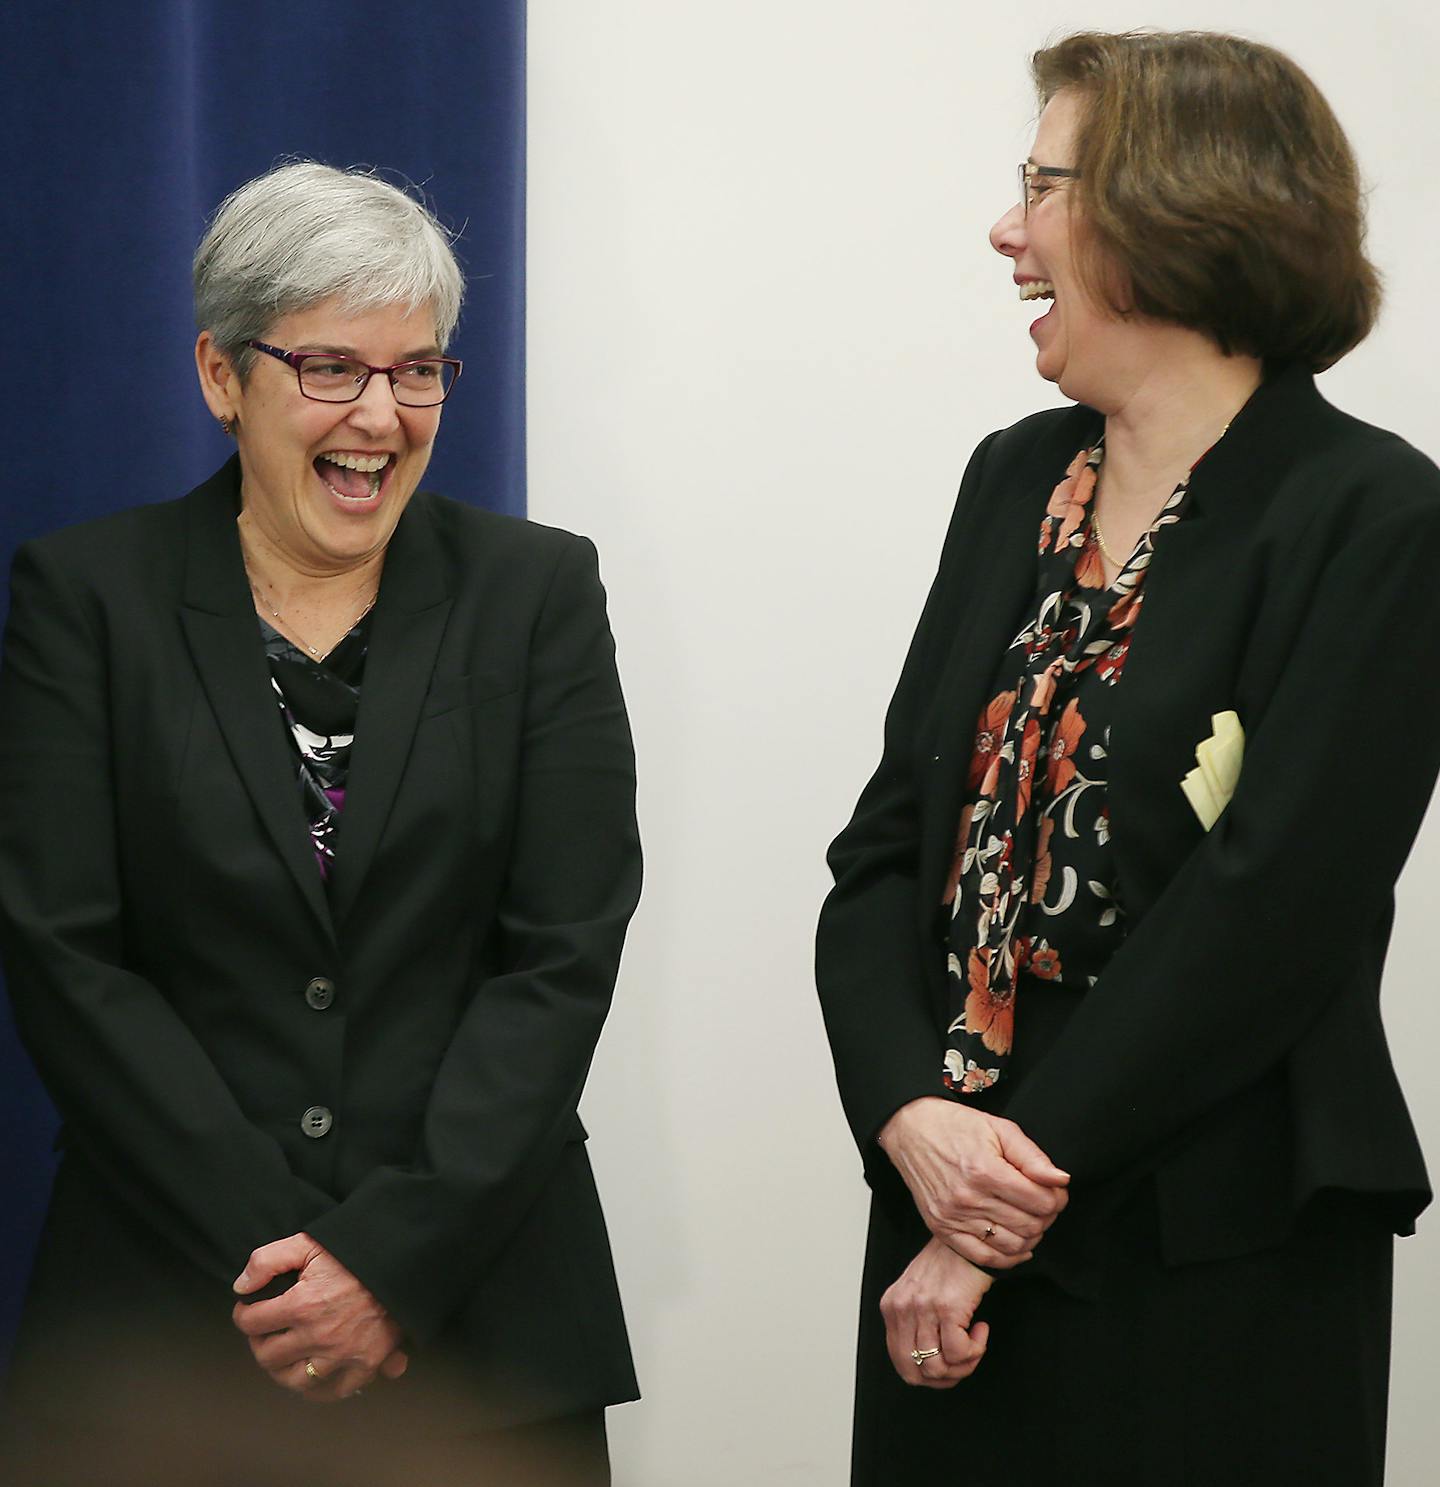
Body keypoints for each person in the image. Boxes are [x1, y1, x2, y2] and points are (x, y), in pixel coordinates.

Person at [815, 30, 1439, 1487]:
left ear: (1179, 205)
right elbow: (885, 855)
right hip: (940, 1225)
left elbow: (1269, 914)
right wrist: (910, 1120)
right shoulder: (1013, 477)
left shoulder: (1372, 517)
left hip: (1205, 1247)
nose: (1005, 229)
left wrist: (998, 1203)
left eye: (1042, 183)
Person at [0, 162, 639, 1487]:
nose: (382, 415)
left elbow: (561, 954)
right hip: (167, 1327)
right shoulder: (85, 599)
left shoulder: (538, 595)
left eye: (418, 373)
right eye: (333, 368)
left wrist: (391, 1262)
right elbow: (66, 954)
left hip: (479, 1329)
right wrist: (289, 1266)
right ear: (222, 376)